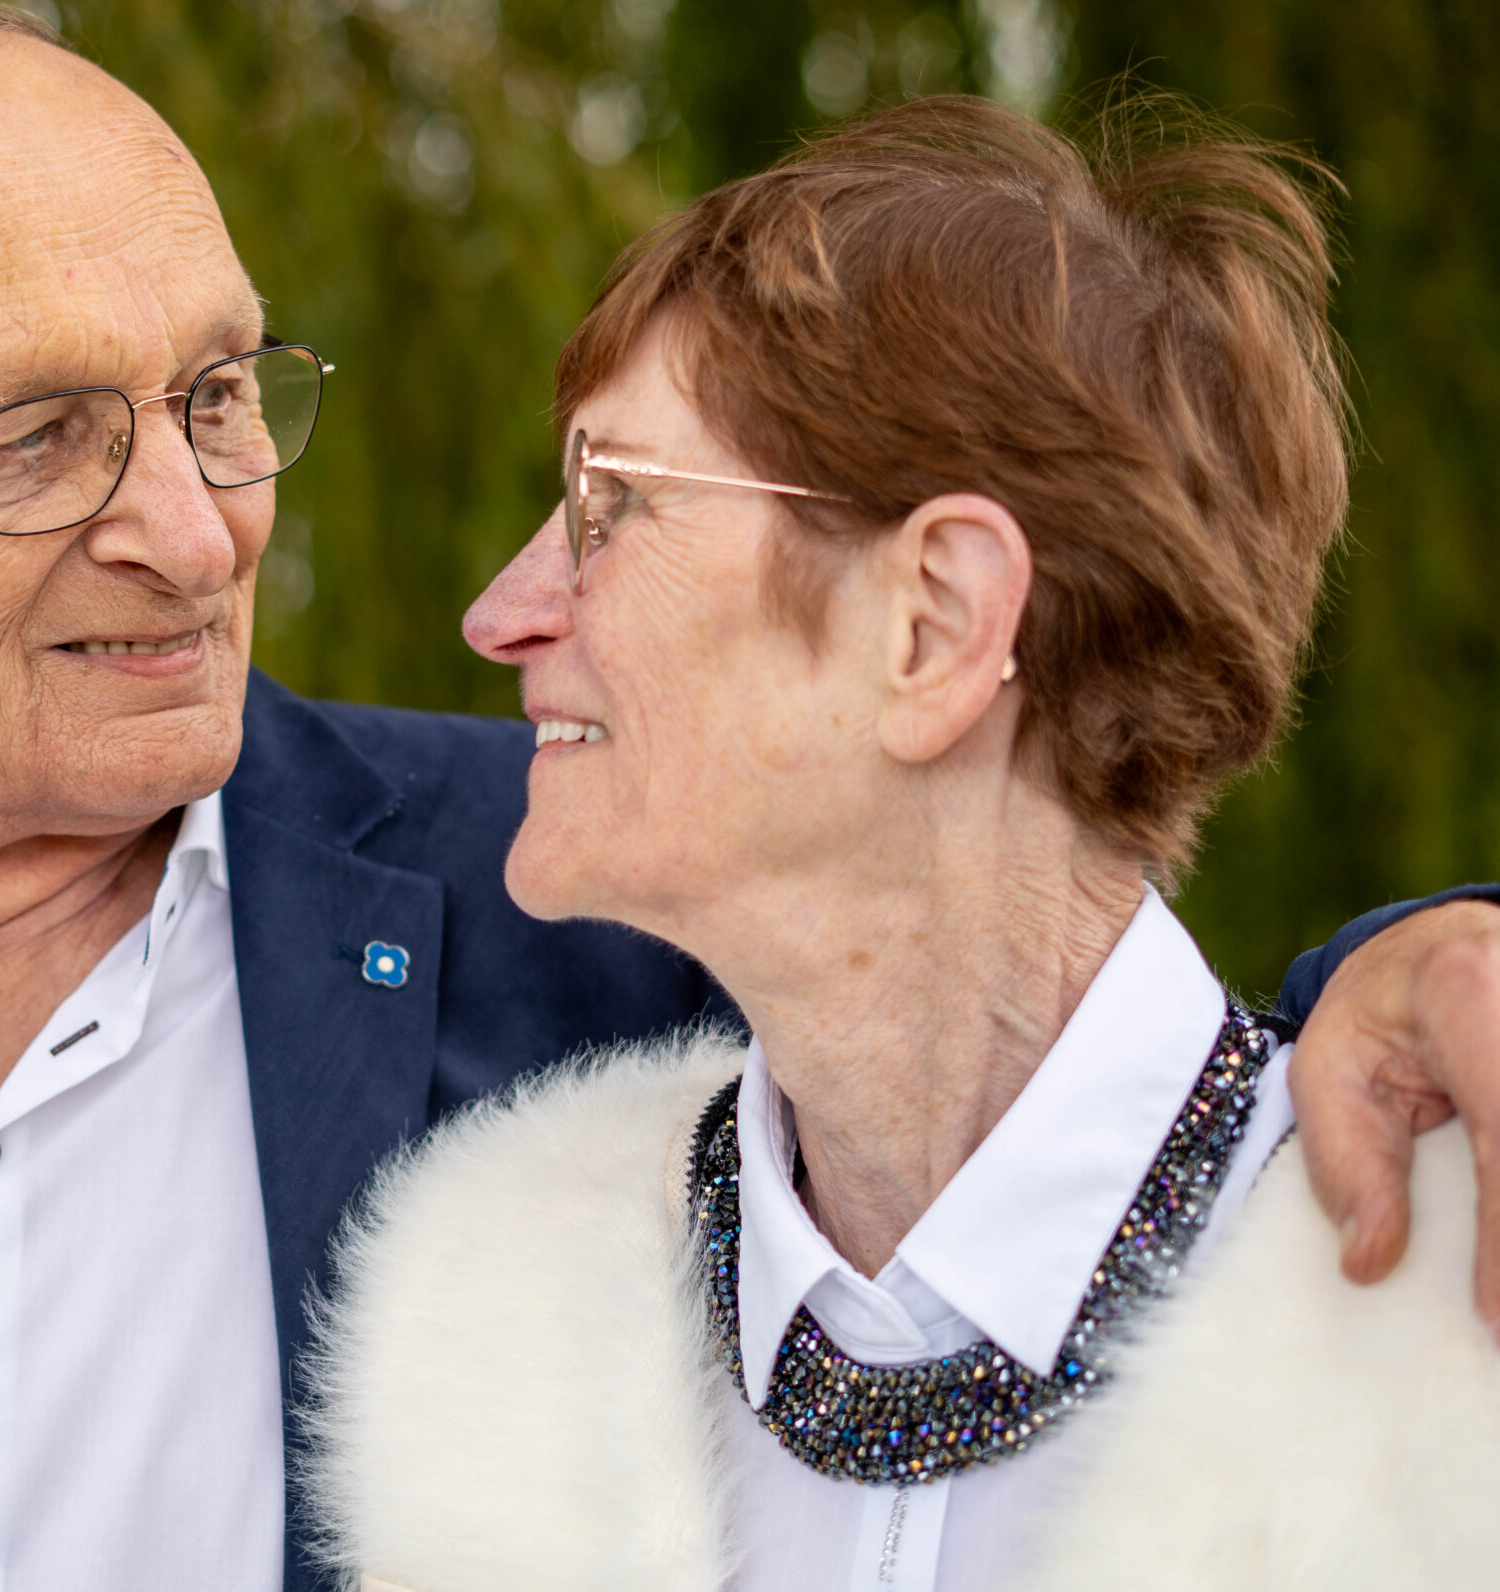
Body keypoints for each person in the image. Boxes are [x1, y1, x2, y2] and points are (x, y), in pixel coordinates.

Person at [0, 0, 1500, 1592]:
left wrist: (1408, 979)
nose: (194, 531)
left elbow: (1029, 1001)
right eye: (34, 438)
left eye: (215, 393)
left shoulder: (578, 926)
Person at [303, 96, 1500, 1592]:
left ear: (934, 622)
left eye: (615, 505)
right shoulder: (494, 1333)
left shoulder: (1451, 1349)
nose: (504, 613)